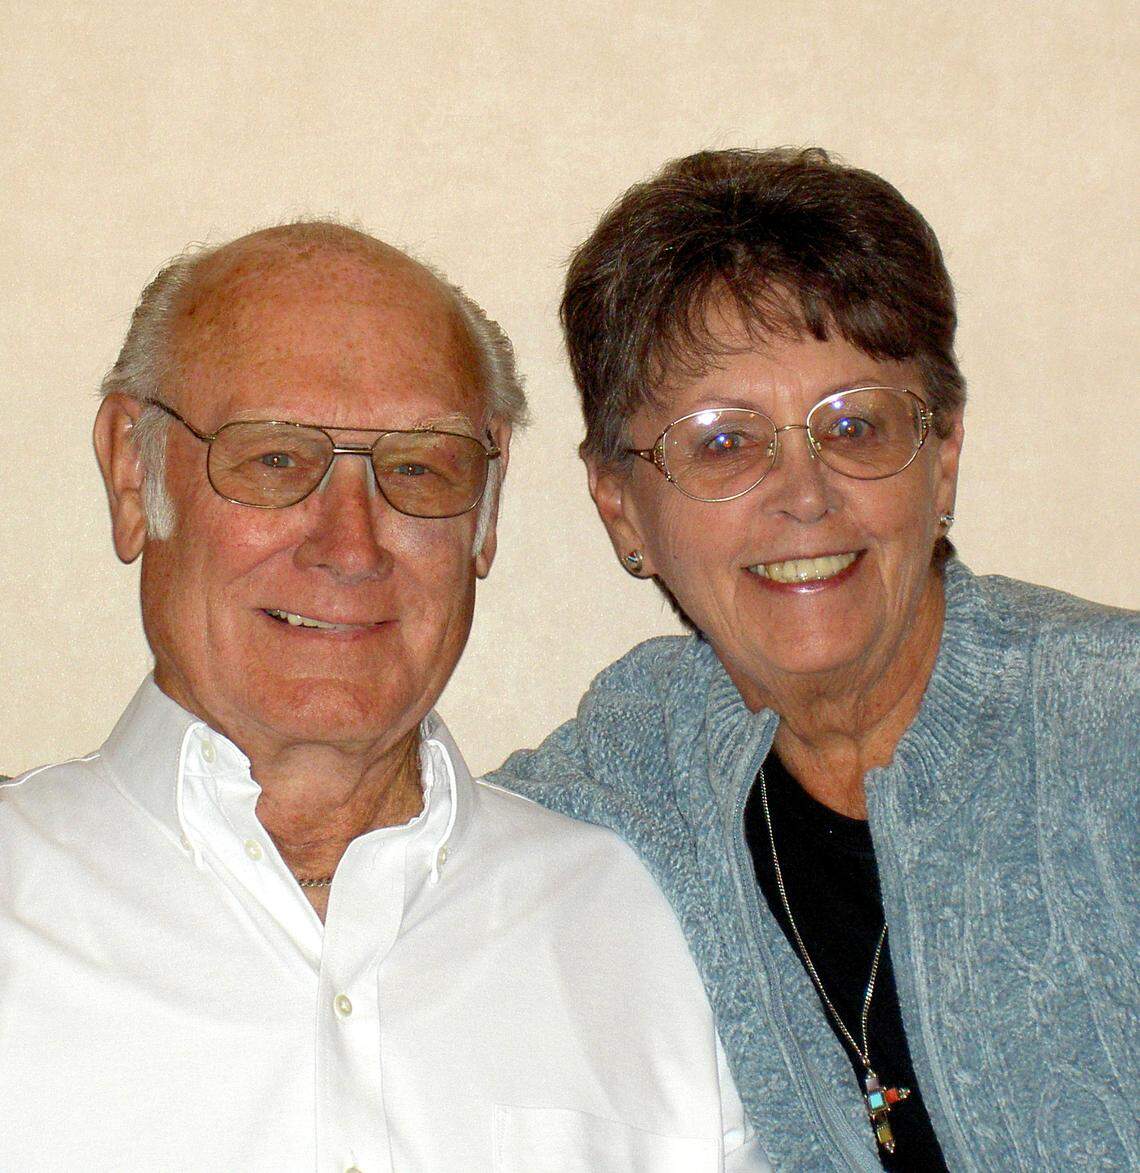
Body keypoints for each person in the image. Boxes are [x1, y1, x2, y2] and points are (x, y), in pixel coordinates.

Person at [0, 222, 766, 1170]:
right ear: (132, 471)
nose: (349, 545)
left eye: (416, 466)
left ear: (486, 511)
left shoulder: (656, 935)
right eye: (274, 457)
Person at [490, 149, 1139, 1171]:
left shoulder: (1117, 730)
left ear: (944, 456)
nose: (804, 493)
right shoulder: (633, 771)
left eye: (855, 425)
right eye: (722, 443)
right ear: (621, 507)